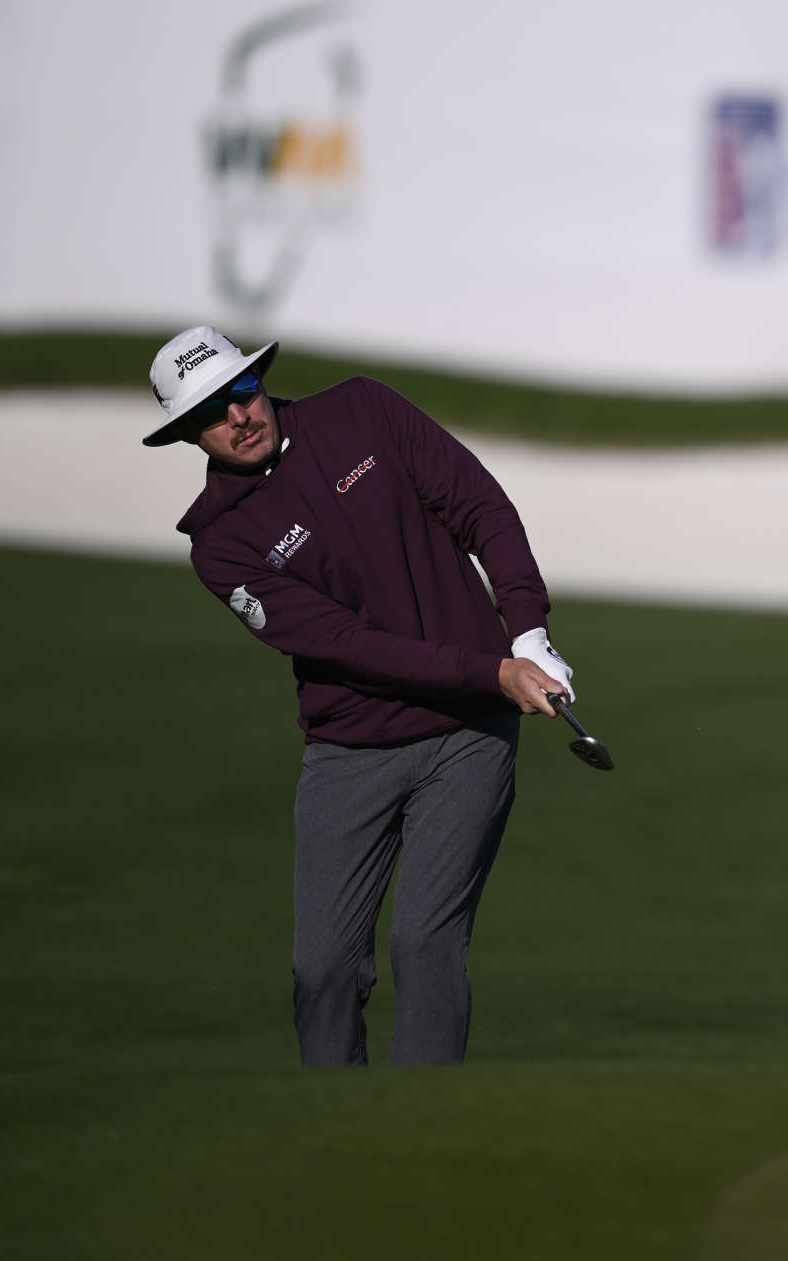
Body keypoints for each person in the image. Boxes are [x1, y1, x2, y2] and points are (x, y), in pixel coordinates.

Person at [146, 325, 575, 1067]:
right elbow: (348, 646)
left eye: (240, 392)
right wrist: (493, 671)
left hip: (467, 735)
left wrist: (528, 631)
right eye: (210, 413)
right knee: (324, 970)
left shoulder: (362, 412)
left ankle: (419, 1133)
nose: (238, 417)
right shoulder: (222, 546)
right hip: (350, 752)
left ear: (260, 382)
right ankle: (337, 1134)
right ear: (189, 434)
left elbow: (481, 506)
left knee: (425, 940)